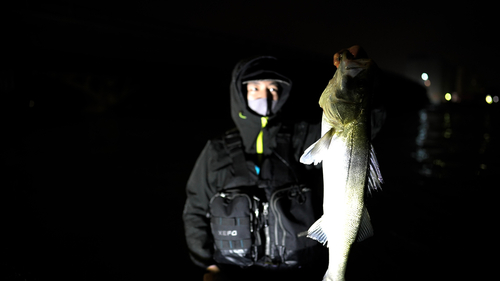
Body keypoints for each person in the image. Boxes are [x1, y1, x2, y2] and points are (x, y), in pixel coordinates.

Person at [183, 46, 384, 281]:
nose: (264, 95)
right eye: (255, 88)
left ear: (283, 93)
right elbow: (195, 209)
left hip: (296, 272)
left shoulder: (300, 138)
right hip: (233, 273)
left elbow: (371, 120)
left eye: (273, 88)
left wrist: (367, 82)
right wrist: (207, 264)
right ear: (240, 92)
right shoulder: (215, 150)